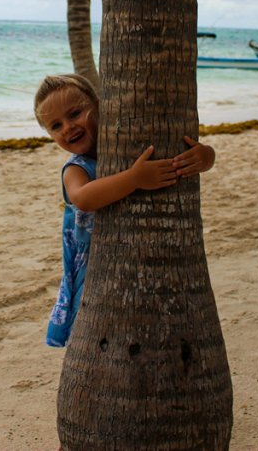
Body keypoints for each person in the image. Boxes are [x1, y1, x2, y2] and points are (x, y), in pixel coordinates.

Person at [34, 74, 216, 347]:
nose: (68, 127)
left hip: (138, 252)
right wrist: (134, 179)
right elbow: (82, 197)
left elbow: (191, 160)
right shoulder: (76, 168)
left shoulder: (126, 146)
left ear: (99, 105)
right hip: (95, 260)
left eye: (75, 113)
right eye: (56, 125)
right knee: (93, 330)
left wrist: (204, 157)